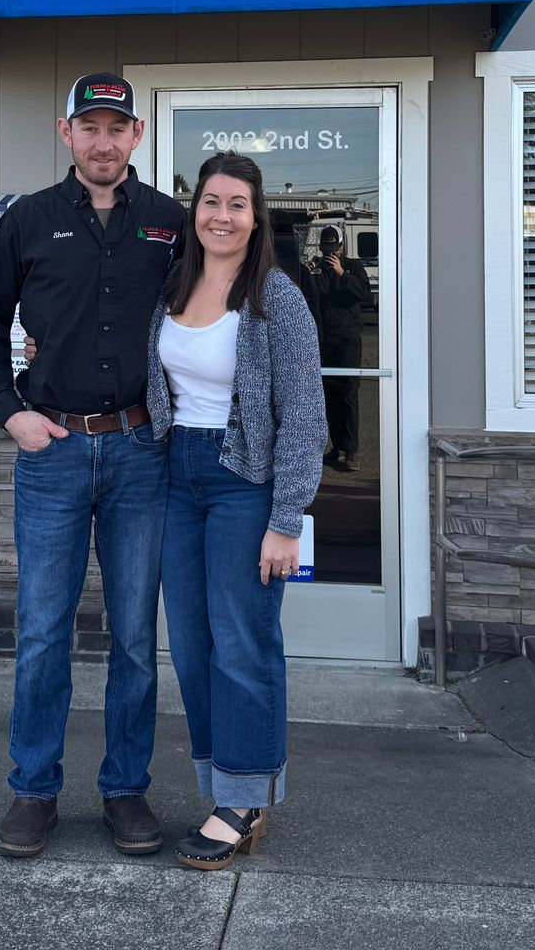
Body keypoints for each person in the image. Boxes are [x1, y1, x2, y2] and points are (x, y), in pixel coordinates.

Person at [0, 71, 187, 860]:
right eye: (88, 127)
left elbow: (208, 321)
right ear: (67, 135)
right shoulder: (27, 222)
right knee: (43, 632)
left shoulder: (170, 223)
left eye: (116, 128)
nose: (103, 141)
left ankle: (126, 789)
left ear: (136, 137)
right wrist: (11, 412)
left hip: (139, 452)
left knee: (133, 636)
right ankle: (34, 790)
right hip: (52, 451)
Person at [145, 151, 327, 870]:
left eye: (237, 205)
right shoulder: (172, 283)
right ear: (195, 211)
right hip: (174, 475)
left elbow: (305, 414)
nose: (222, 216)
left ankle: (246, 801)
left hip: (241, 480)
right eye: (211, 201)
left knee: (243, 639)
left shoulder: (276, 298)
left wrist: (287, 519)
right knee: (190, 645)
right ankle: (221, 787)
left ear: (257, 219)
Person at [308, 225, 371, 469]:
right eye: (326, 249)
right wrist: (310, 272)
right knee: (329, 396)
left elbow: (363, 294)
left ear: (342, 246)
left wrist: (342, 273)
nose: (329, 254)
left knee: (348, 393)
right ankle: (336, 446)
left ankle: (351, 451)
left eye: (333, 249)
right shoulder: (318, 269)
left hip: (347, 339)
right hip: (325, 339)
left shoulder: (353, 267)